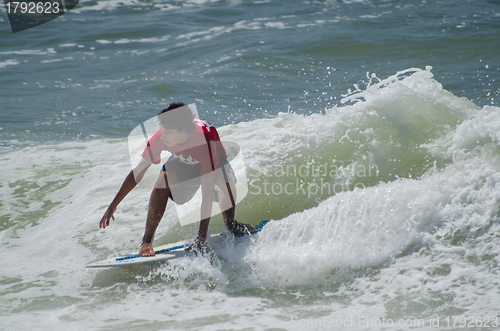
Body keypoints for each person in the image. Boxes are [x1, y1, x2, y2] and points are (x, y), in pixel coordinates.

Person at [99, 102, 255, 256]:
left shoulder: (204, 142)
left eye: (167, 131)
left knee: (225, 181)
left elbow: (206, 194)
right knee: (163, 180)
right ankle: (146, 241)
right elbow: (137, 173)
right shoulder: (160, 138)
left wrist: (201, 238)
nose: (162, 135)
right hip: (184, 161)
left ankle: (231, 224)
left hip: (213, 160)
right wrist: (113, 205)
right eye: (161, 129)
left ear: (183, 131)